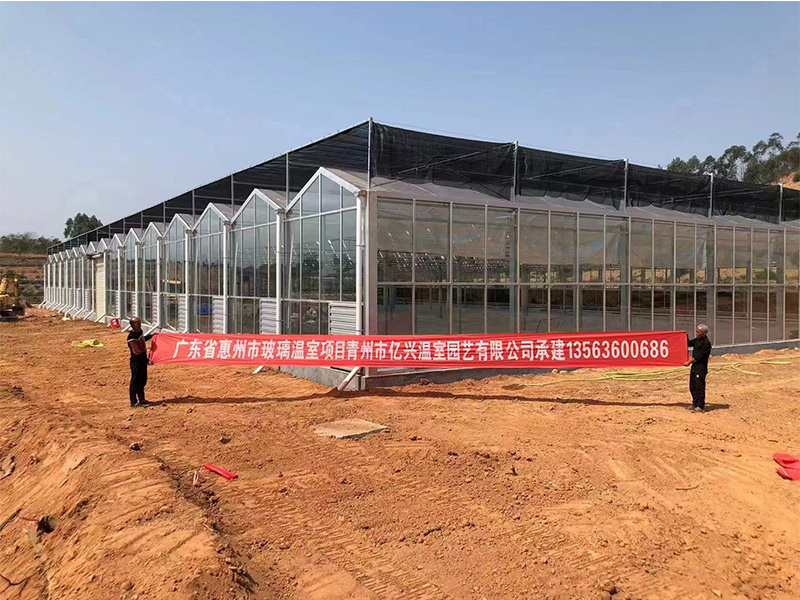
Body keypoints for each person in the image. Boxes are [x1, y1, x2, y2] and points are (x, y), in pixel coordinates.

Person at [685, 324, 712, 413]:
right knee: (692, 386)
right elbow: (688, 343)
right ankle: (695, 403)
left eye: (698, 332)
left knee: (699, 387)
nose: (696, 333)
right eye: (696, 331)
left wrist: (689, 362)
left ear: (704, 333)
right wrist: (684, 335)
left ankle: (700, 406)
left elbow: (699, 357)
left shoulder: (706, 343)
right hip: (694, 368)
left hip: (700, 369)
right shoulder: (697, 340)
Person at [127, 317, 154, 407]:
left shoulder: (139, 332)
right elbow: (137, 352)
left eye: (139, 322)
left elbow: (142, 340)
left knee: (142, 380)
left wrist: (151, 336)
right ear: (132, 325)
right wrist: (147, 360)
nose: (139, 324)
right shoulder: (131, 337)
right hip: (136, 362)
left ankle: (142, 399)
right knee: (135, 381)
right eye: (137, 323)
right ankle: (133, 401)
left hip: (142, 361)